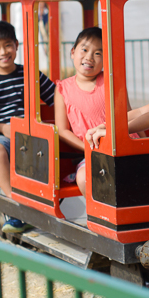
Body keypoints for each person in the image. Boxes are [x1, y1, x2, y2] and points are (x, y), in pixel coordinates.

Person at [0, 20, 55, 234]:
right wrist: (1, 128)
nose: (3, 52)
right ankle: (14, 204)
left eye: (8, 45)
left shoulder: (30, 75)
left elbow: (57, 97)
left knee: (49, 142)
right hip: (4, 136)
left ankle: (50, 200)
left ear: (16, 45)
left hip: (31, 132)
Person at [54, 27, 105, 194]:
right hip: (89, 153)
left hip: (118, 148)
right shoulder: (63, 88)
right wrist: (88, 148)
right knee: (84, 178)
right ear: (72, 52)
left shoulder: (111, 81)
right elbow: (62, 130)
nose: (89, 57)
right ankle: (97, 217)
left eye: (98, 53)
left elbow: (128, 115)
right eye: (84, 50)